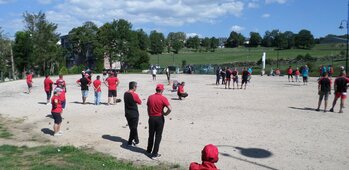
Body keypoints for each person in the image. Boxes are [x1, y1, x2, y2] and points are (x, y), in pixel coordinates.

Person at [146, 84, 172, 159]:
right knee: (158, 136)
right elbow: (170, 108)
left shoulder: (150, 97)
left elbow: (148, 107)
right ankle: (154, 154)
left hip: (151, 118)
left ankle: (149, 149)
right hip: (159, 118)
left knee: (151, 134)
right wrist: (165, 114)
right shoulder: (163, 98)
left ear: (156, 89)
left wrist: (149, 114)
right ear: (162, 90)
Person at [124, 81, 142, 146]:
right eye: (136, 87)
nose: (136, 88)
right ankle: (130, 141)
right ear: (134, 87)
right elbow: (140, 102)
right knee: (133, 128)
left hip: (127, 113)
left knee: (132, 128)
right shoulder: (134, 94)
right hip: (134, 113)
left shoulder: (125, 93)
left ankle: (136, 140)